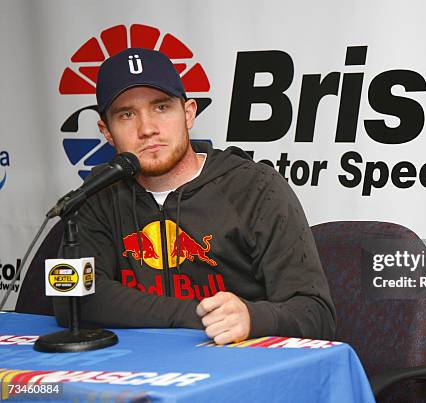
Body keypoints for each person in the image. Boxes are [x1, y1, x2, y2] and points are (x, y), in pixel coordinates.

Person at [53, 48, 336, 344]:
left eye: (161, 108)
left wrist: (253, 318)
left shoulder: (257, 189)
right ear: (107, 132)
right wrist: (196, 316)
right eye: (126, 115)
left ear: (188, 113)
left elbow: (316, 314)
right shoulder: (99, 192)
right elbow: (73, 299)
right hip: (134, 369)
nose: (147, 129)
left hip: (236, 369)